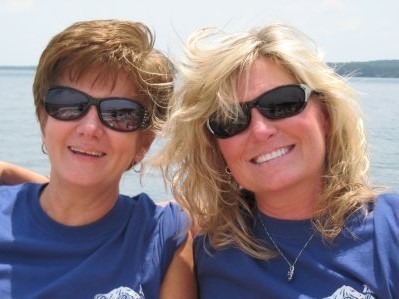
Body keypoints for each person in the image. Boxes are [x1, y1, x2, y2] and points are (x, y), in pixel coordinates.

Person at [157, 23, 399, 298]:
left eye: (282, 103)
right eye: (231, 119)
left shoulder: (390, 231)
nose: (260, 130)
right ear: (216, 148)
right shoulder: (202, 249)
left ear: (326, 116)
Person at [0, 20, 196, 299]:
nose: (90, 128)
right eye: (68, 103)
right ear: (44, 119)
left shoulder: (163, 236)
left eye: (120, 113)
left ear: (143, 144)